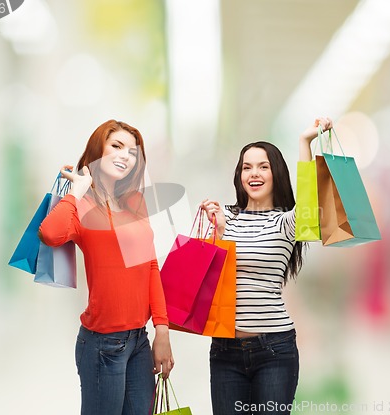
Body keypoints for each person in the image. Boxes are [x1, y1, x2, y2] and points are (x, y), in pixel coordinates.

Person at [38, 119, 174, 415]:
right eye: (116, 146)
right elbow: (50, 233)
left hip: (139, 341)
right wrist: (77, 190)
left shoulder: (135, 202)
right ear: (97, 150)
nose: (125, 155)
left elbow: (150, 267)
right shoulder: (81, 205)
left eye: (133, 152)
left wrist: (161, 331)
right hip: (102, 345)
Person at [201, 117, 333, 415]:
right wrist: (217, 233)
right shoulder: (225, 218)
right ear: (239, 175)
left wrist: (305, 142)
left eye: (263, 166)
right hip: (224, 351)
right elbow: (209, 281)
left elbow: (310, 208)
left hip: (274, 350)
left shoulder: (285, 222)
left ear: (277, 174)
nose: (254, 173)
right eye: (247, 167)